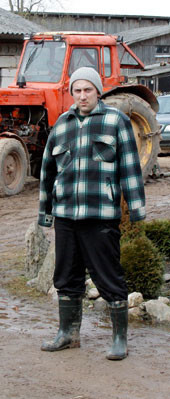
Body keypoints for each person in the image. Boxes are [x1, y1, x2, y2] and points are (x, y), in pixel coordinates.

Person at [38, 67, 146, 361]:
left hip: (100, 215)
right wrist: (45, 215)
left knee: (109, 277)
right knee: (66, 277)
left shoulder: (116, 121)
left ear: (98, 91)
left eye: (88, 89)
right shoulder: (62, 124)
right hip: (66, 216)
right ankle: (68, 334)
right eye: (77, 90)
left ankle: (119, 339)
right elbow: (47, 172)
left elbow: (131, 169)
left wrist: (136, 211)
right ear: (71, 93)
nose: (82, 95)